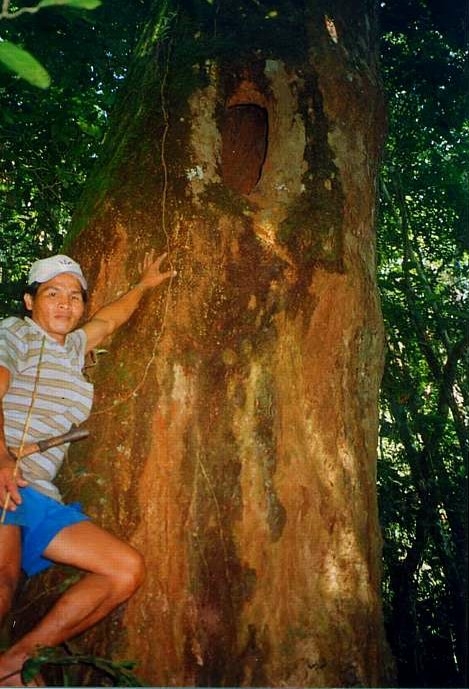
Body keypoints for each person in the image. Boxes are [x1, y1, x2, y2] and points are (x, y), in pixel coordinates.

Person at [0, 251, 175, 687]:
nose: (64, 303)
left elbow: (109, 320)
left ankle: (16, 663)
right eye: (52, 293)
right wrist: (1, 458)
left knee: (124, 568)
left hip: (36, 491)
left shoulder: (75, 346)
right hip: (4, 473)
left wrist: (144, 285)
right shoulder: (15, 333)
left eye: (74, 296)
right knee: (2, 585)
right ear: (29, 301)